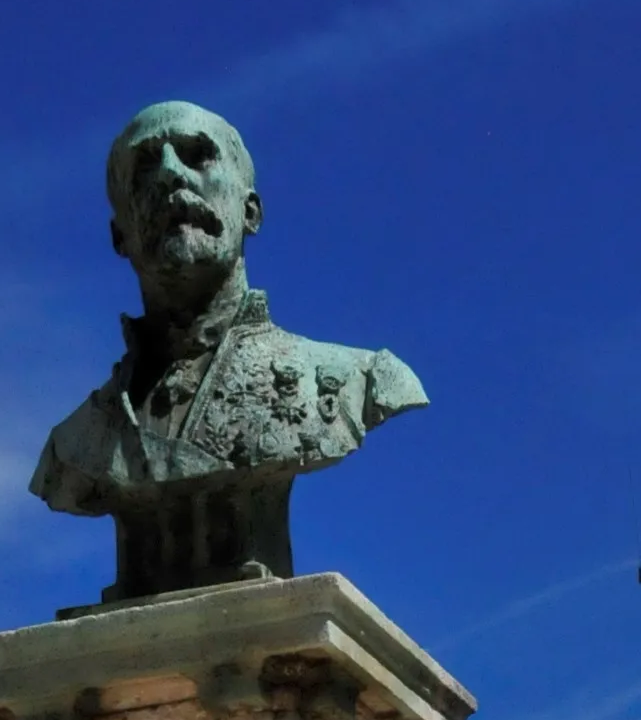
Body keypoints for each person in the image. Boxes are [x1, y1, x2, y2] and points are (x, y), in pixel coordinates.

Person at [31, 101, 425, 603]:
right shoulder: (73, 447)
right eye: (147, 164)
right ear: (119, 236)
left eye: (197, 156)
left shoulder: (358, 378)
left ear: (250, 212)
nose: (172, 173)